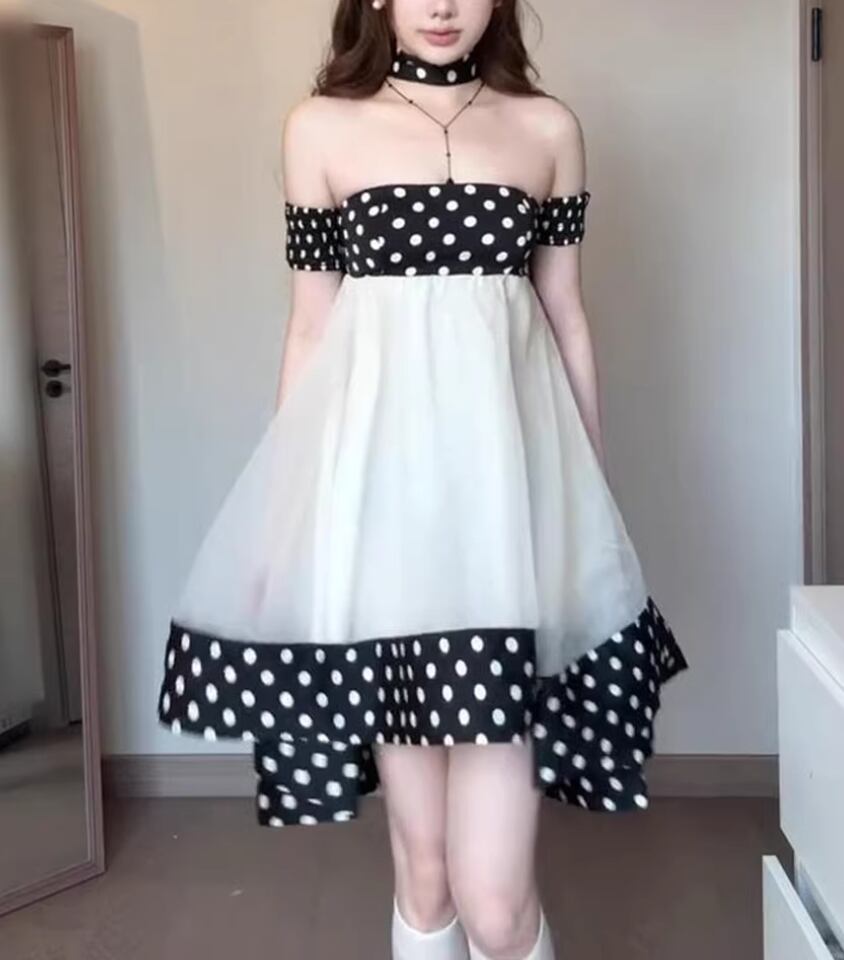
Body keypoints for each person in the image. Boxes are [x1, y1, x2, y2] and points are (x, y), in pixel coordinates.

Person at [156, 1, 688, 958]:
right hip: (382, 521)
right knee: (427, 873)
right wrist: (283, 524)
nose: (441, 5)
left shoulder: (547, 129)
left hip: (504, 523)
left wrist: (590, 505)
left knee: (497, 902)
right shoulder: (319, 129)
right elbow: (311, 324)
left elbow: (564, 312)